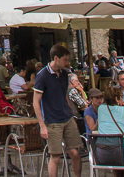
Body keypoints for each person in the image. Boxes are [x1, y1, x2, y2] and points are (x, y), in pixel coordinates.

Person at [34, 44, 83, 177]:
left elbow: (64, 95)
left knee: (75, 153)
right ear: (56, 58)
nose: (67, 62)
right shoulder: (42, 75)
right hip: (52, 121)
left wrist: (71, 112)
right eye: (65, 60)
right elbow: (36, 102)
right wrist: (42, 125)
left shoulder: (64, 74)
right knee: (55, 156)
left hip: (67, 118)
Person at [95, 86, 124, 175]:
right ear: (116, 99)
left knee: (116, 153)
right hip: (121, 154)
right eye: (121, 97)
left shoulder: (100, 109)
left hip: (101, 155)